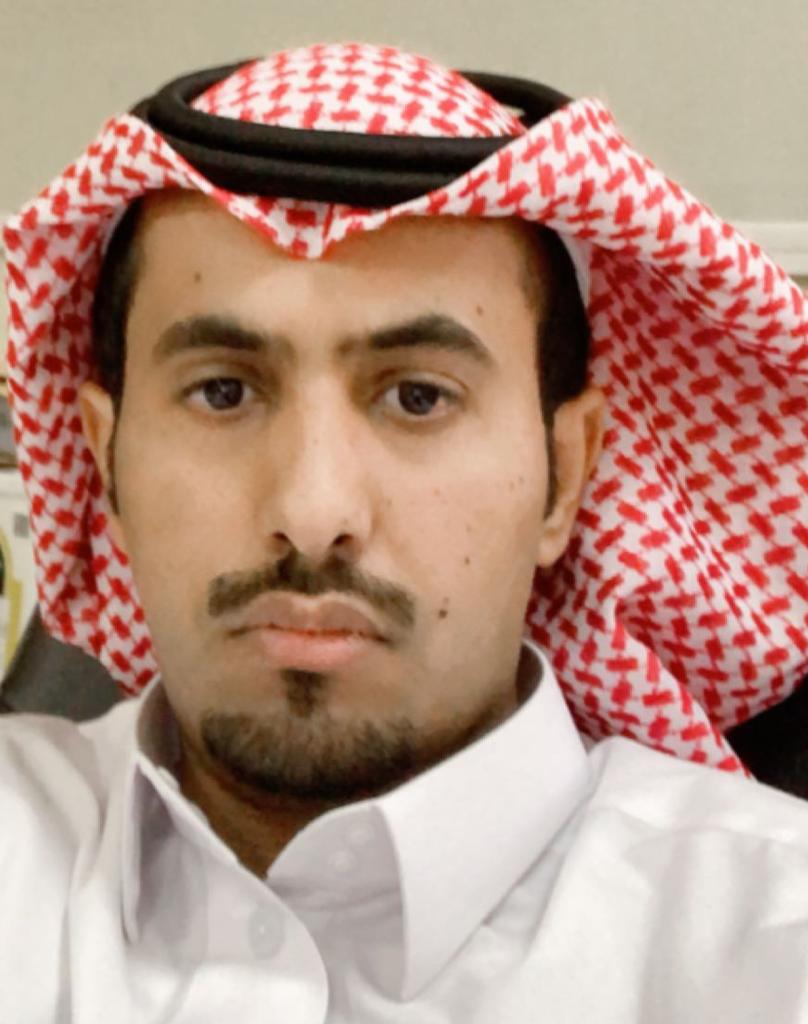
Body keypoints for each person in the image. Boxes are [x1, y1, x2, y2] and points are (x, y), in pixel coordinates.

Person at [1, 43, 807, 1022]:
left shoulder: (770, 943)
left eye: (418, 397)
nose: (313, 512)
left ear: (565, 476)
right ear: (104, 460)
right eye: (222, 392)